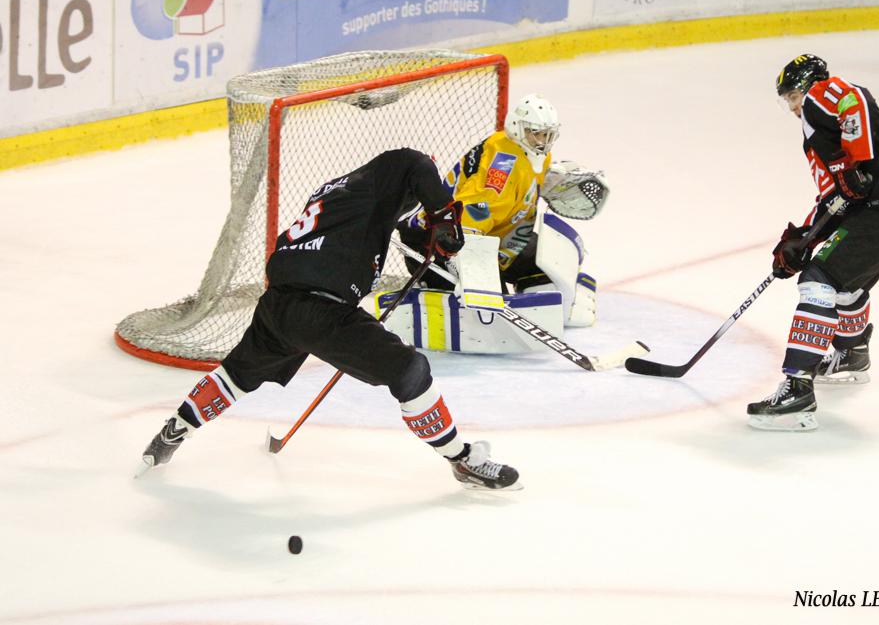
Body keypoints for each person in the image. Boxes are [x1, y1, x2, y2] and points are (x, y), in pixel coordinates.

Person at [138, 148, 521, 490]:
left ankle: (173, 433)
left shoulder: (342, 193)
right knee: (410, 370)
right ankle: (462, 459)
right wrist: (444, 218)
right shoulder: (386, 173)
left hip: (278, 305)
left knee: (236, 374)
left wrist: (433, 245)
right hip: (320, 312)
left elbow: (390, 234)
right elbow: (416, 163)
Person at [747, 54, 879, 431]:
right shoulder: (820, 131)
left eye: (792, 95)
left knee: (819, 280)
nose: (793, 106)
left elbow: (853, 99)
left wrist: (857, 163)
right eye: (788, 101)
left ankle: (798, 387)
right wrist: (802, 238)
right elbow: (838, 195)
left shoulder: (821, 96)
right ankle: (851, 354)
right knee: (844, 280)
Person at [399, 93, 562, 292]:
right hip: (435, 241)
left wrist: (557, 184)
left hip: (492, 236)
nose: (542, 141)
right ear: (518, 128)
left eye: (547, 135)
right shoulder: (503, 165)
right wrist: (468, 267)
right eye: (536, 133)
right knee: (491, 301)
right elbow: (471, 215)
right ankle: (436, 286)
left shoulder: (534, 155)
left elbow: (522, 191)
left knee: (550, 264)